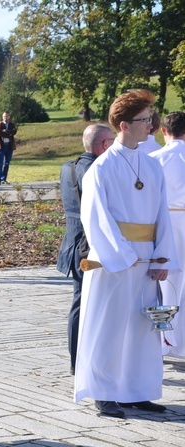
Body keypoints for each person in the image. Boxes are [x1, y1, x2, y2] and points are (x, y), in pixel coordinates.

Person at [75, 89, 179, 419]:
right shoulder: (102, 169)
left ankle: (136, 391)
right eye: (144, 119)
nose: (151, 124)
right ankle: (104, 392)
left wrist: (164, 258)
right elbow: (95, 218)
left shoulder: (152, 166)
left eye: (152, 118)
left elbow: (163, 214)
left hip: (147, 259)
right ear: (124, 125)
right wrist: (121, 255)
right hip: (114, 263)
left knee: (142, 327)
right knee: (110, 324)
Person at [56, 124, 115, 375]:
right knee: (86, 302)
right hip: (87, 248)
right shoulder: (96, 171)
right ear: (103, 145)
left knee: (79, 301)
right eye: (112, 142)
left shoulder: (67, 167)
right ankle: (81, 359)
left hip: (72, 242)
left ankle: (75, 359)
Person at [151, 111, 185, 357]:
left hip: (167, 225)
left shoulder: (155, 158)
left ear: (164, 131)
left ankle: (167, 342)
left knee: (166, 286)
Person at [0, 112, 17, 185]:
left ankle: (4, 179)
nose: (5, 117)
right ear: (2, 117)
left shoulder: (12, 124)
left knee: (6, 163)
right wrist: (9, 133)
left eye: (6, 116)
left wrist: (6, 131)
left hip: (9, 146)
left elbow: (14, 131)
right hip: (1, 146)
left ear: (9, 117)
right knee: (0, 163)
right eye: (4, 116)